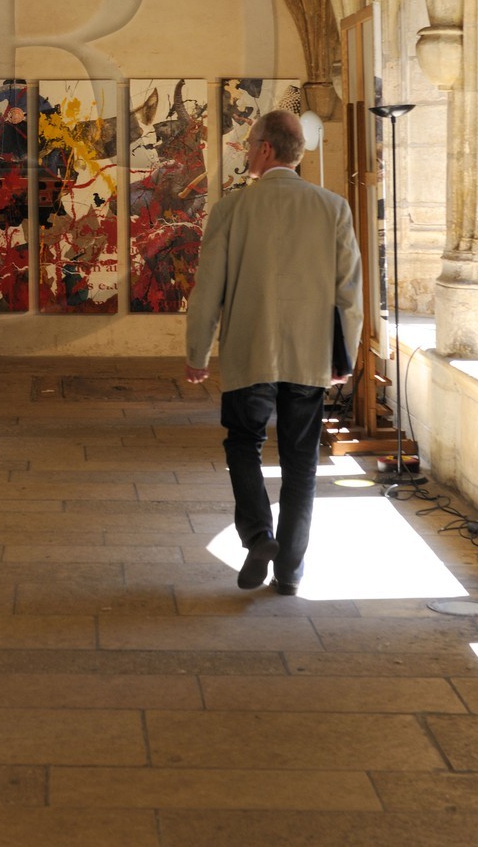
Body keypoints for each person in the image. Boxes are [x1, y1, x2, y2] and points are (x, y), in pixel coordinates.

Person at [185, 108, 363, 594]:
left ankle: (259, 534)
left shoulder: (231, 209)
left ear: (266, 149)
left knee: (242, 443)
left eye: (249, 144)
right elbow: (348, 293)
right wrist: (342, 357)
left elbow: (208, 291)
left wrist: (197, 353)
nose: (245, 151)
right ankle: (288, 570)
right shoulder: (333, 208)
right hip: (309, 357)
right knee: (301, 461)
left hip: (249, 354)